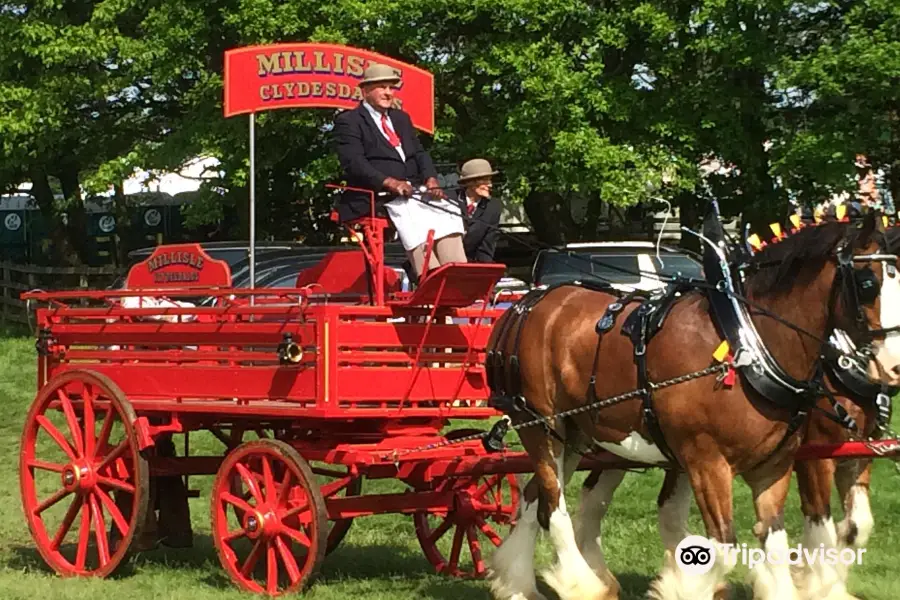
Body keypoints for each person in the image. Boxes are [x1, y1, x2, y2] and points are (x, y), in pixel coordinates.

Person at [332, 63, 467, 277]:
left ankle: (458, 273)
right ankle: (430, 274)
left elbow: (420, 153)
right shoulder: (349, 121)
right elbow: (354, 163)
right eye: (382, 87)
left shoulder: (400, 119)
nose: (388, 92)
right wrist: (390, 182)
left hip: (413, 191)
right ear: (365, 91)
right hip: (377, 196)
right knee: (411, 213)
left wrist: (431, 178)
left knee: (445, 208)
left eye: (391, 88)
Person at [457, 158, 502, 262]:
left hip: (470, 265)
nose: (490, 185)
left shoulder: (493, 207)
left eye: (490, 180)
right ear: (470, 182)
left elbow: (486, 248)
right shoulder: (450, 200)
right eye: (485, 180)